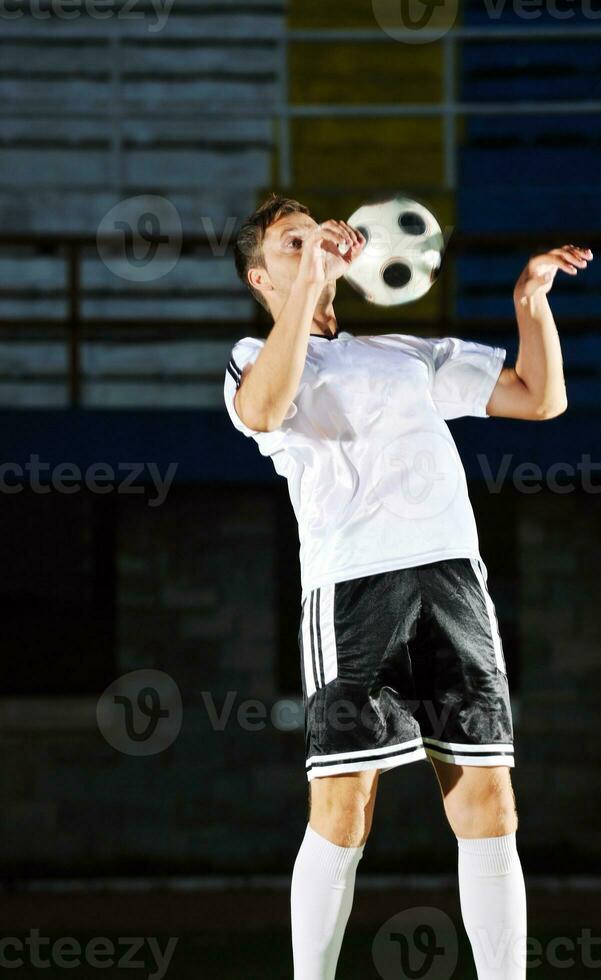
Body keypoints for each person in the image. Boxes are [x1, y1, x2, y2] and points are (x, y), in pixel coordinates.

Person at [224, 192, 591, 979]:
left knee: (489, 806)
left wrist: (530, 303)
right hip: (353, 593)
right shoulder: (256, 355)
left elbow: (540, 397)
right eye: (292, 246)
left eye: (315, 235)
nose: (314, 246)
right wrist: (312, 284)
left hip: (452, 583)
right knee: (344, 811)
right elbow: (264, 409)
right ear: (262, 280)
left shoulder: (398, 351)